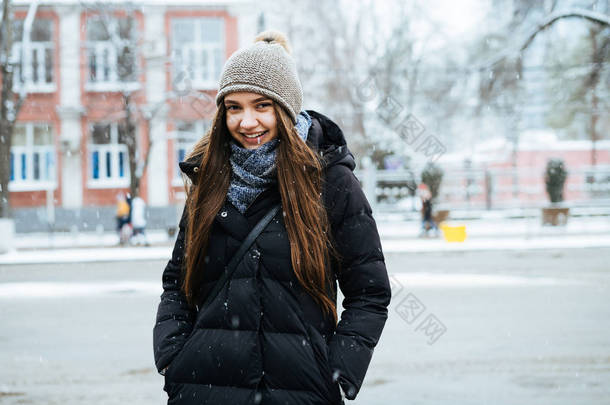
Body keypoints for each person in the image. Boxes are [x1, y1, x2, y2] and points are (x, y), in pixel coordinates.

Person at [153, 30, 391, 405]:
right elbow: (178, 283)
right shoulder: (209, 179)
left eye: (262, 105)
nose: (247, 122)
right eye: (234, 107)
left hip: (300, 392)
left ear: (286, 108)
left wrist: (339, 368)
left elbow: (370, 292)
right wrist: (172, 355)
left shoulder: (330, 180)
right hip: (204, 389)